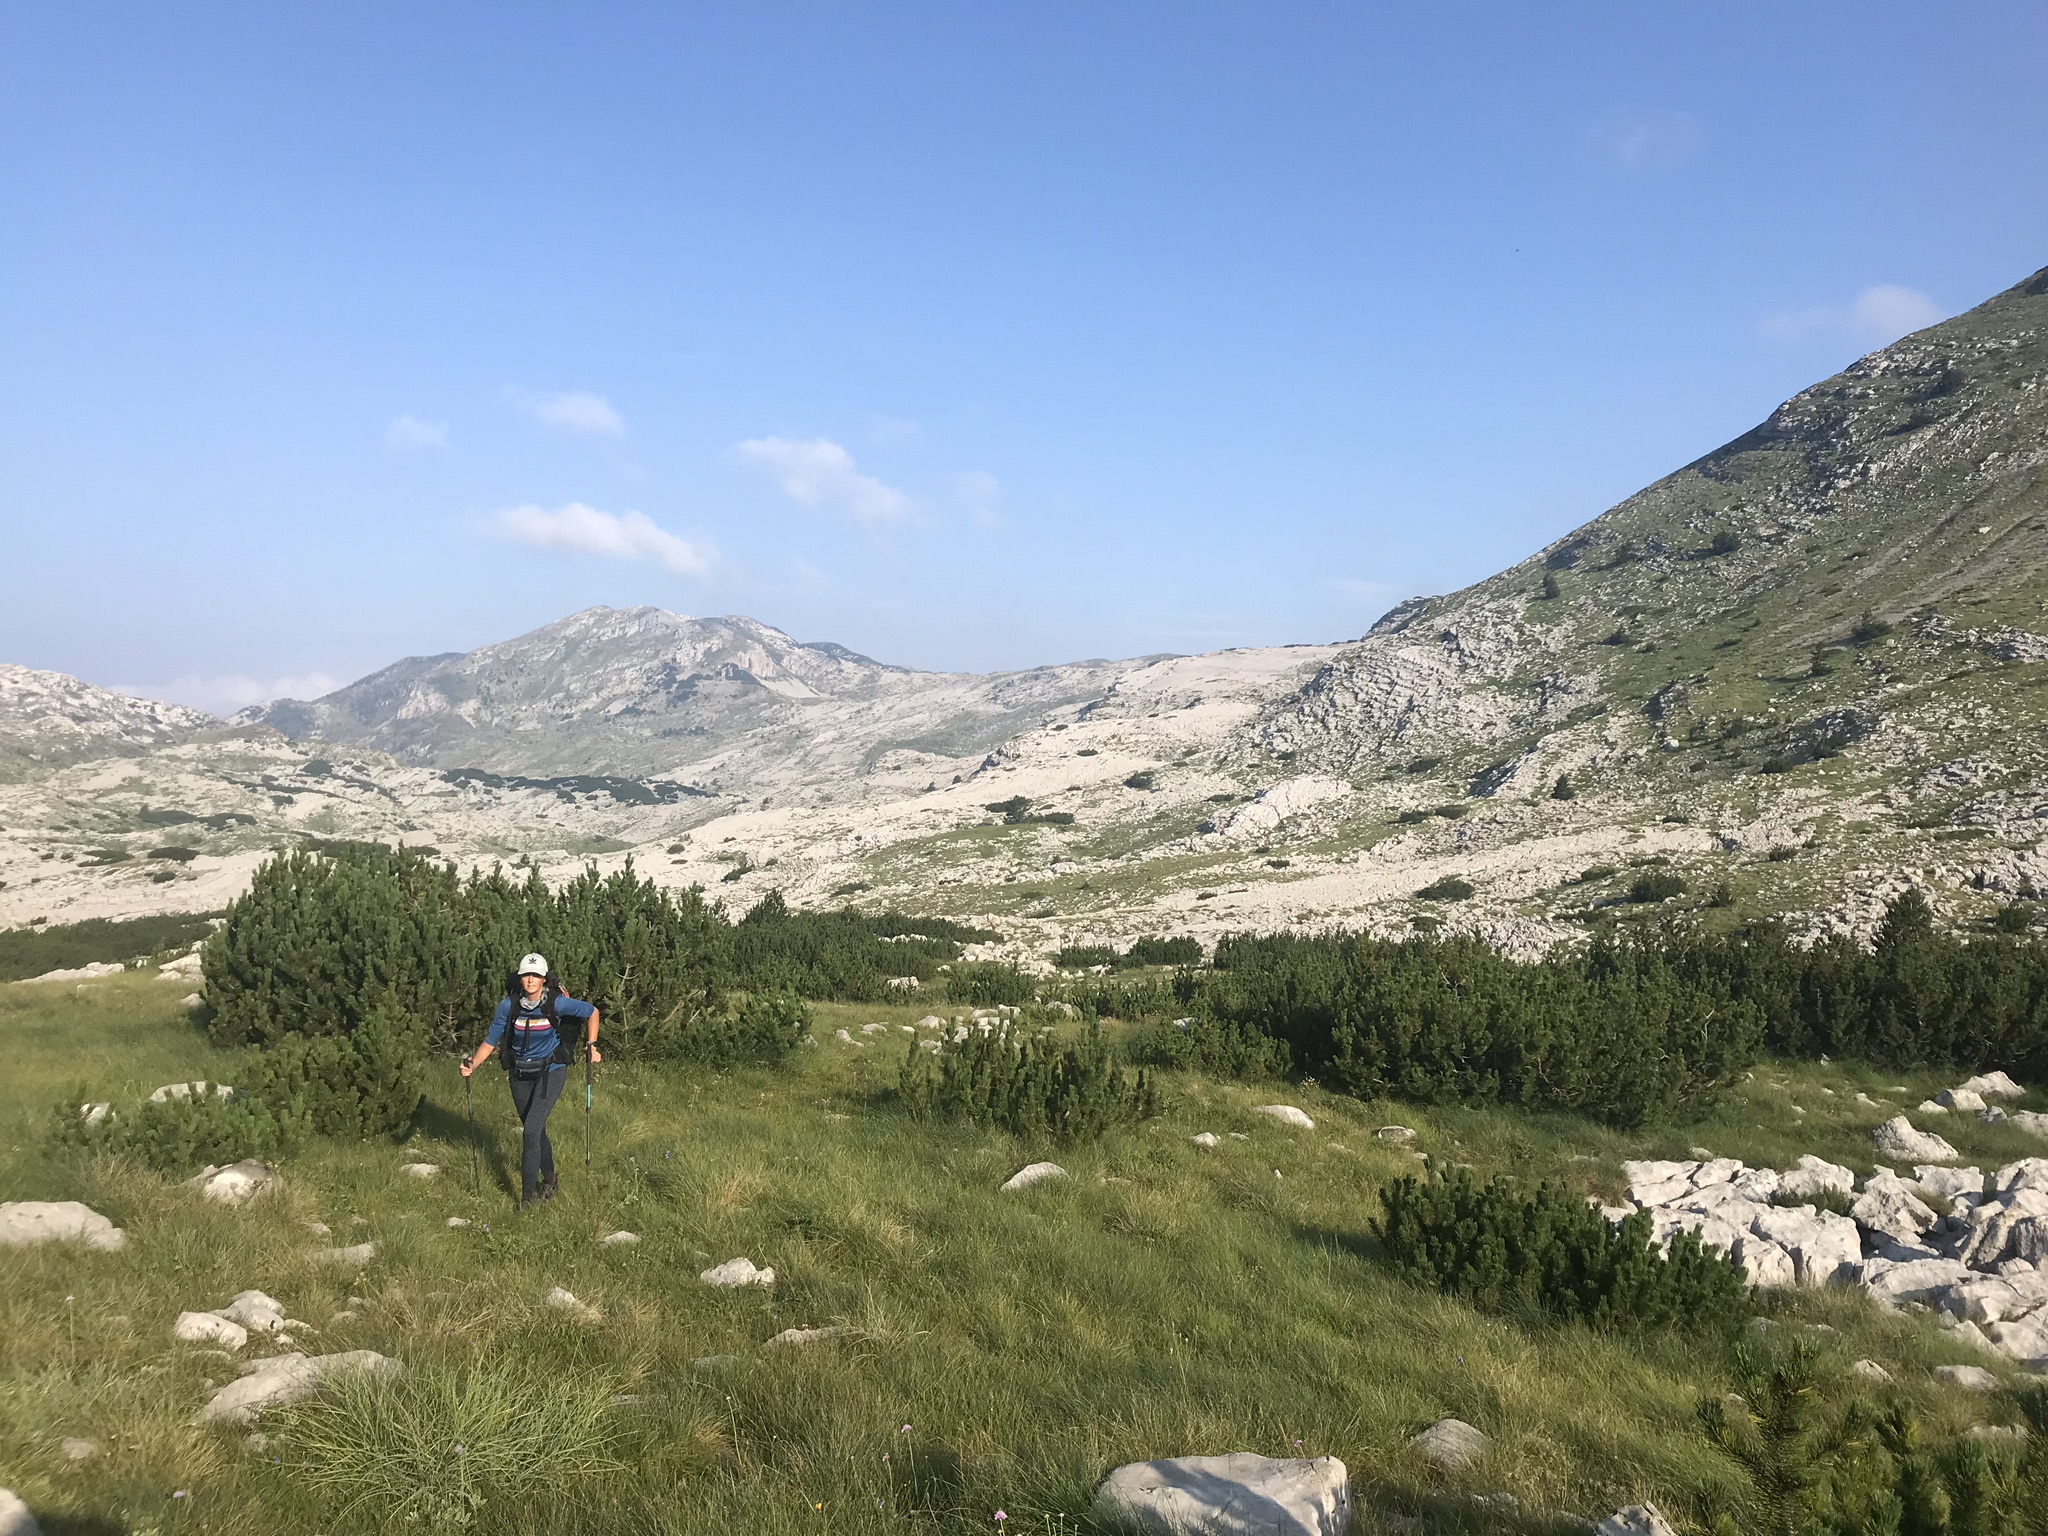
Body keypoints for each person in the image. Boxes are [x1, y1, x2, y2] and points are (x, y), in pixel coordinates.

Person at [462, 953, 600, 1205]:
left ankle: (527, 1200)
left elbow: (592, 1012)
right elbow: (491, 1039)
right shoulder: (509, 1005)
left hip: (551, 1070)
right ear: (520, 977)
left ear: (544, 978)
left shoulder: (558, 1004)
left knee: (531, 1131)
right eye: (526, 974)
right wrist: (473, 1064)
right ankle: (550, 1180)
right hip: (519, 1073)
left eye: (536, 975)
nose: (530, 979)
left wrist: (591, 1045)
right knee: (536, 1130)